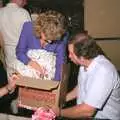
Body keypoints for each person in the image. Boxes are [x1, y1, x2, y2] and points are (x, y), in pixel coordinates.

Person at [52, 32, 120, 119]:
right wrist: (61, 99)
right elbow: (80, 88)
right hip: (86, 115)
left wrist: (60, 112)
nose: (69, 56)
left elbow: (88, 111)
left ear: (82, 57)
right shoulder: (84, 64)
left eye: (71, 53)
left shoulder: (104, 72)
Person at [15, 10, 67, 81]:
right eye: (45, 39)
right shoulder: (28, 28)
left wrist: (55, 84)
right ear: (40, 28)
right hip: (27, 71)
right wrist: (33, 64)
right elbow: (19, 52)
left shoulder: (60, 39)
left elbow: (60, 65)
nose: (45, 43)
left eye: (51, 40)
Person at [0, 0, 31, 114]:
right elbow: (30, 35)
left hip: (8, 52)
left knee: (12, 81)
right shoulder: (22, 13)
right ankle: (22, 104)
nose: (26, 3)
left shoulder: (0, 12)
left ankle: (14, 101)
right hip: (22, 51)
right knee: (25, 80)